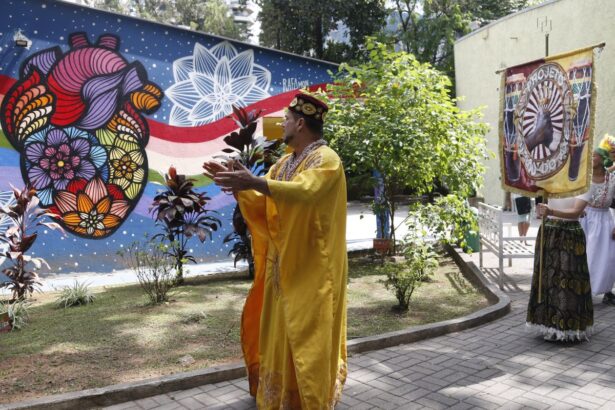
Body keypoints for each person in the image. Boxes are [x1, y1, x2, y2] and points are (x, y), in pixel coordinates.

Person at [203, 92, 348, 408]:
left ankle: (310, 399)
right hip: (281, 268)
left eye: (285, 120)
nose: (280, 124)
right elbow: (263, 199)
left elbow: (306, 193)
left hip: (312, 271)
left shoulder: (326, 160)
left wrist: (252, 182)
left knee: (308, 338)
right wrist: (240, 185)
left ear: (300, 123)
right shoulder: (285, 163)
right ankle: (282, 398)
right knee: (280, 337)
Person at [530, 193, 593, 342]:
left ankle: (568, 328)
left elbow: (576, 212)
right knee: (548, 280)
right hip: (549, 231)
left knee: (568, 282)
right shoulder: (555, 178)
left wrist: (551, 211)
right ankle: (549, 324)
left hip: (569, 235)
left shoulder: (584, 181)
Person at [581, 136, 615, 304]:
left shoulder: (611, 178)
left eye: (595, 155)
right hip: (586, 218)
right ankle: (586, 290)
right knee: (589, 256)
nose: (591, 158)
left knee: (608, 257)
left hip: (606, 219)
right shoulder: (585, 177)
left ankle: (607, 290)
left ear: (603, 159)